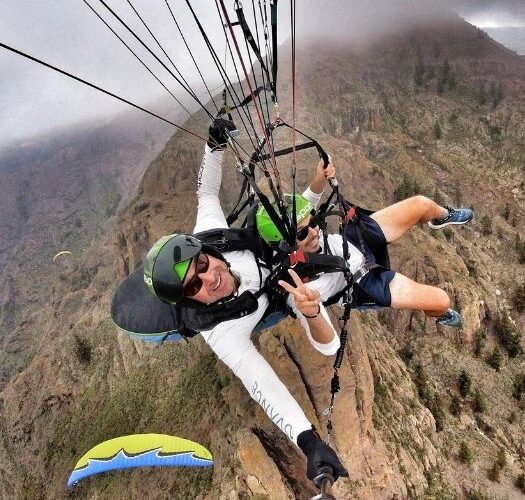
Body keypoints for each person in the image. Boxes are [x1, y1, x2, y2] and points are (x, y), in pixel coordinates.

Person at [142, 120, 348, 485]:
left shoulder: (213, 238)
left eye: (202, 265)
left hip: (267, 265)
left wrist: (214, 145)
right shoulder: (221, 332)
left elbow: (206, 195)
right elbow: (262, 384)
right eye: (194, 286)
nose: (208, 278)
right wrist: (310, 443)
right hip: (264, 303)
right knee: (324, 337)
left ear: (206, 251)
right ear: (190, 300)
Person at [256, 164, 474, 334]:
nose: (313, 232)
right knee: (441, 300)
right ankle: (439, 314)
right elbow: (312, 315)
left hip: (352, 240)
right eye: (302, 234)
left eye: (313, 223)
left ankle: (443, 217)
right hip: (362, 283)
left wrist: (321, 174)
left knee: (422, 204)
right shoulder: (298, 283)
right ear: (284, 245)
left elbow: (311, 196)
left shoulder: (296, 222)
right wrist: (309, 307)